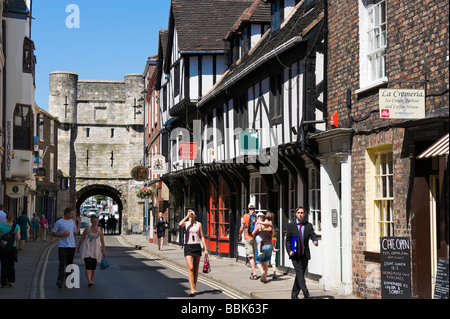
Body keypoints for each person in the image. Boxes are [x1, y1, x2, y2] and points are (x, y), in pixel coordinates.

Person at [285, 206, 318, 299]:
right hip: (295, 255)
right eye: (298, 213)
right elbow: (287, 240)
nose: (300, 214)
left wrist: (315, 241)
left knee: (300, 275)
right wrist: (289, 251)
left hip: (305, 255)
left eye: (302, 213)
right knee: (301, 276)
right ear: (296, 214)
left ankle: (294, 295)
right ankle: (306, 295)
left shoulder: (309, 225)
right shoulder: (291, 225)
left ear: (304, 214)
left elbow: (313, 235)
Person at [178, 209, 208, 296]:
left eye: (192, 212)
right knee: (190, 268)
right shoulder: (186, 223)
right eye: (189, 212)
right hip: (188, 247)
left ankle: (194, 287)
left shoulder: (199, 224)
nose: (190, 214)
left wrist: (205, 249)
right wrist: (187, 216)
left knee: (195, 269)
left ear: (195, 214)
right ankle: (191, 289)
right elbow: (180, 224)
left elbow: (202, 236)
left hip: (197, 246)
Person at [51, 207, 81, 288]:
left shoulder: (72, 222)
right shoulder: (59, 222)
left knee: (69, 264)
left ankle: (68, 280)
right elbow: (53, 233)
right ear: (67, 213)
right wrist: (62, 235)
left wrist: (79, 223)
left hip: (71, 246)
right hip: (62, 246)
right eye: (71, 214)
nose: (73, 215)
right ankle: (60, 280)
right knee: (62, 264)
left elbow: (76, 233)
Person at [77, 215, 106, 287]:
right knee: (88, 265)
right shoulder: (87, 229)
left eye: (96, 221)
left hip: (96, 250)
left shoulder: (100, 230)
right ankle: (89, 281)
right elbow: (82, 238)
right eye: (94, 221)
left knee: (93, 267)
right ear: (91, 221)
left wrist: (104, 249)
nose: (95, 222)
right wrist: (78, 247)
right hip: (87, 249)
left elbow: (102, 240)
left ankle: (92, 280)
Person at [0, 211, 21, 288]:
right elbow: (18, 238)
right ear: (13, 218)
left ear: (6, 217)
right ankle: (11, 281)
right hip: (12, 247)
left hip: (3, 248)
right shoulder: (16, 226)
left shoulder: (1, 225)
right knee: (11, 264)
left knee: (4, 264)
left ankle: (3, 282)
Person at [252, 212, 274, 283]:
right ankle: (265, 278)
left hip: (262, 246)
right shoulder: (271, 226)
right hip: (269, 245)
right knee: (265, 263)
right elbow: (273, 235)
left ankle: (262, 273)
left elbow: (253, 233)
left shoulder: (260, 226)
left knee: (258, 262)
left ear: (265, 217)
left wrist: (256, 237)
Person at [238, 203, 258, 280]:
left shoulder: (246, 216)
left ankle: (254, 273)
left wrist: (240, 236)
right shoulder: (256, 217)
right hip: (255, 238)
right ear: (254, 209)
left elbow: (241, 228)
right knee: (254, 256)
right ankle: (253, 272)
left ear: (248, 208)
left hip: (248, 237)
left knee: (251, 256)